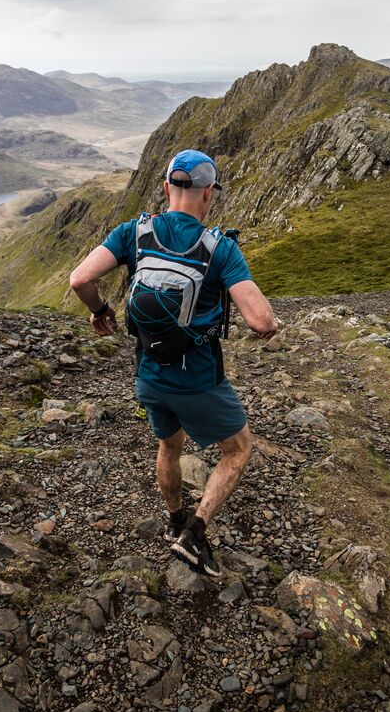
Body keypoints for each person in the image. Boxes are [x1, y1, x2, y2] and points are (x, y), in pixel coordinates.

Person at [69, 149, 279, 579]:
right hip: (199, 378)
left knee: (169, 446)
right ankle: (196, 533)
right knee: (238, 449)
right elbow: (259, 321)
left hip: (148, 375)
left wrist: (101, 310)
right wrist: (273, 322)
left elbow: (80, 279)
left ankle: (174, 519)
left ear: (166, 189)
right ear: (208, 194)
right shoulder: (220, 249)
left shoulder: (134, 233)